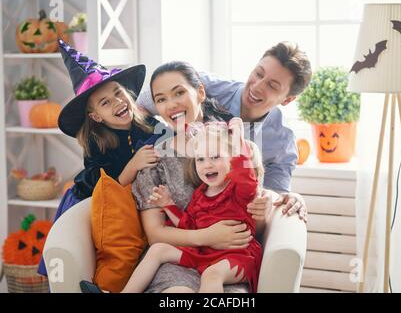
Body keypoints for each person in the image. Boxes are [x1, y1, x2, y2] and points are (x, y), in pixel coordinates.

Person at [128, 61, 306, 293]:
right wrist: (208, 236)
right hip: (179, 261)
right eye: (161, 99)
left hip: (227, 265)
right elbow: (155, 234)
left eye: (179, 92)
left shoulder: (240, 152)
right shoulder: (153, 162)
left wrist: (274, 203)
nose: (171, 104)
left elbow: (251, 217)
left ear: (200, 92)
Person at [80, 118, 264, 293]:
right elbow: (189, 225)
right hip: (204, 253)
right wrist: (168, 205)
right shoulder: (200, 195)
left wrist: (238, 138)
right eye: (200, 159)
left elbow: (246, 171)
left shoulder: (239, 190)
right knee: (158, 249)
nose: (207, 165)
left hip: (237, 256)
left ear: (232, 160)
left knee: (211, 274)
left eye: (215, 157)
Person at [137, 41, 312, 222]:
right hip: (184, 211)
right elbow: (141, 105)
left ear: (288, 99)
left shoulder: (282, 142)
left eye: (272, 86)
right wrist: (146, 147)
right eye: (258, 73)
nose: (258, 86)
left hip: (230, 221)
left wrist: (289, 197)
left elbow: (274, 194)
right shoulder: (204, 86)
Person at [37, 40, 162, 276]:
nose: (117, 102)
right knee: (108, 253)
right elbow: (105, 188)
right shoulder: (97, 144)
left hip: (140, 202)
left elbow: (170, 139)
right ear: (96, 116)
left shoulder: (147, 125)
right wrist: (133, 166)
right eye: (106, 102)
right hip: (95, 199)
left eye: (118, 93)